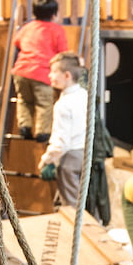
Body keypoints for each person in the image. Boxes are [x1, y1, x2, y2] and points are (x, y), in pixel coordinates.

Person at [9, 0, 67, 140]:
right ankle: (42, 132)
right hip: (42, 73)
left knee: (24, 100)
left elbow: (17, 43)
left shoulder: (26, 28)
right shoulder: (57, 30)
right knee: (44, 104)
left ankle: (25, 126)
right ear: (54, 14)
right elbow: (63, 53)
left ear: (34, 13)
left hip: (21, 71)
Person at [38, 52, 89, 209]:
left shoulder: (63, 104)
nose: (50, 75)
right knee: (74, 202)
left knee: (70, 207)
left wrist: (46, 159)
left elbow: (61, 142)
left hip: (70, 157)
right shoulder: (84, 95)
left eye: (54, 72)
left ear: (67, 75)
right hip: (84, 154)